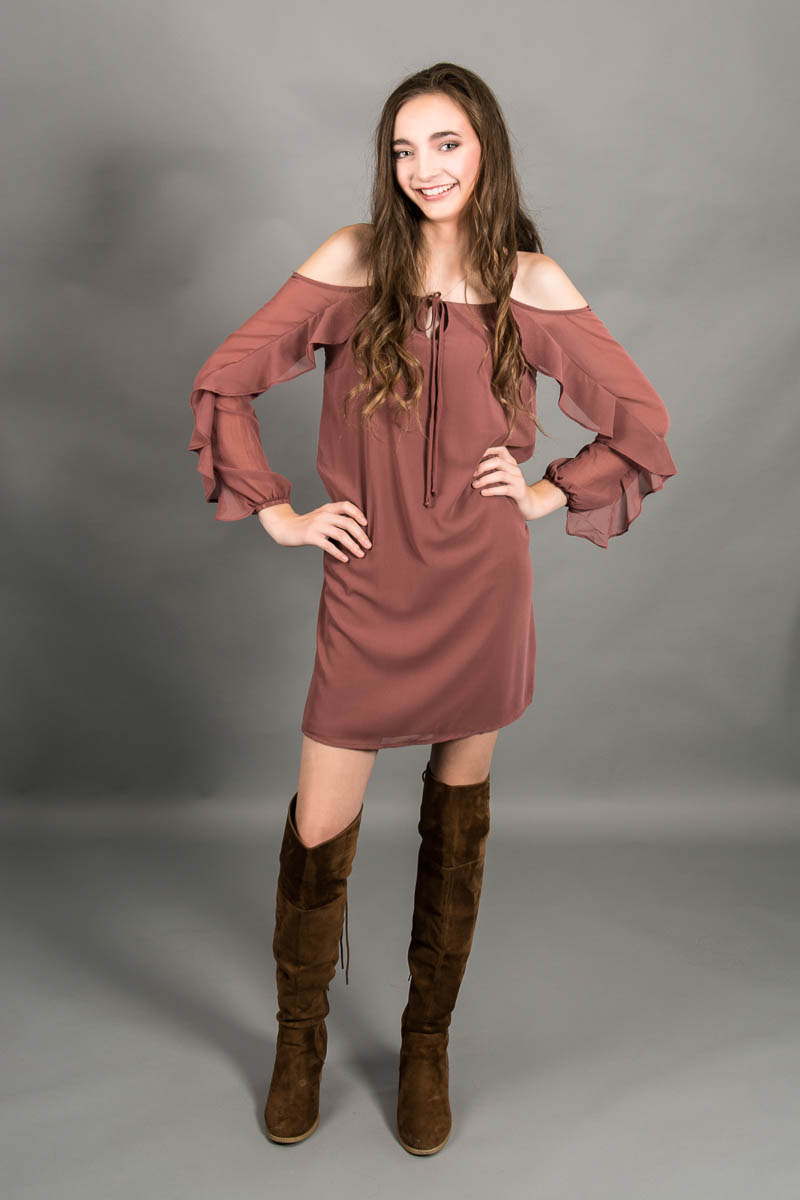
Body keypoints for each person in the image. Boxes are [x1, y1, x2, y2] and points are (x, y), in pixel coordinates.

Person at [187, 62, 677, 1155]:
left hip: (479, 586)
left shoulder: (527, 281)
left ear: (484, 146)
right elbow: (228, 377)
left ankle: (425, 1043)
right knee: (321, 826)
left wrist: (546, 491)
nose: (424, 168)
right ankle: (300, 1041)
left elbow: (640, 421)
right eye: (404, 149)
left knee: (456, 821)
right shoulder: (352, 261)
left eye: (445, 143)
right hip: (369, 582)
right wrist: (278, 513)